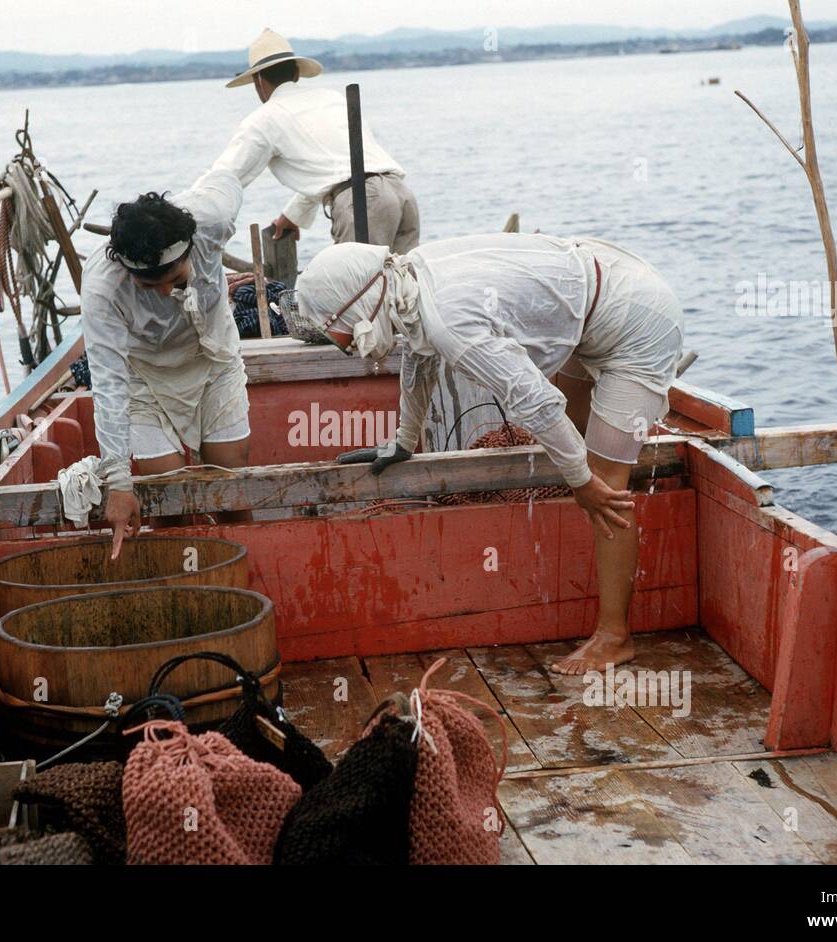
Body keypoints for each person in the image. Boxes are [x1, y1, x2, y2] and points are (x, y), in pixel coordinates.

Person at [293, 234, 685, 674]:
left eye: (336, 329)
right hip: (594, 300)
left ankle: (615, 637)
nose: (340, 341)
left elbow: (536, 402)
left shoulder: (449, 322)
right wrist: (404, 439)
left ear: (358, 301)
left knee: (605, 486)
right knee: (574, 440)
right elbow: (420, 358)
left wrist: (582, 482)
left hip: (638, 318)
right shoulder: (408, 279)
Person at [79, 169, 252, 557]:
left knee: (230, 485)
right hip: (145, 377)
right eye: (148, 285)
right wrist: (119, 483)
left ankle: (243, 564)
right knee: (166, 493)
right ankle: (183, 575)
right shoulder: (101, 289)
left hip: (212, 357)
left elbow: (232, 173)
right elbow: (108, 383)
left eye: (173, 279)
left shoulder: (212, 218)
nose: (162, 291)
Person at [211, 28, 419, 253]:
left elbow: (224, 179)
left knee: (358, 285)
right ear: (297, 74)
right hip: (401, 194)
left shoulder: (266, 117)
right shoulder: (332, 99)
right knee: (402, 284)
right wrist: (292, 216)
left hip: (364, 202)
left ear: (258, 80)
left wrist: (180, 216)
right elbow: (338, 171)